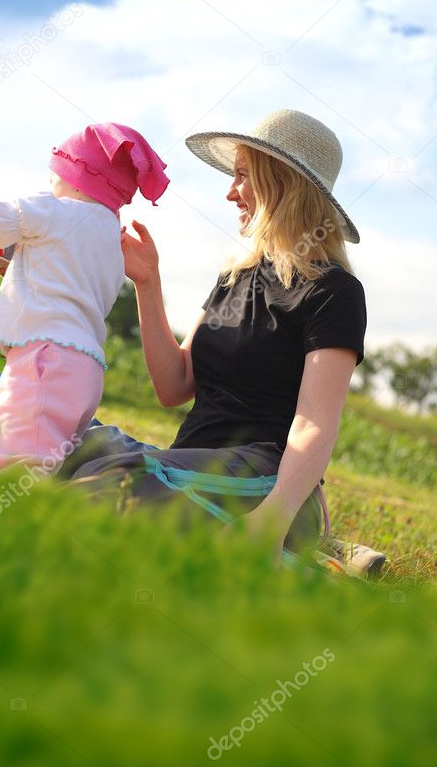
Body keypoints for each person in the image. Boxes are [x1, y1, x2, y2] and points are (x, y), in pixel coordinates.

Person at [59, 109, 366, 557]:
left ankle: (292, 544)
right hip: (191, 467)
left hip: (265, 481)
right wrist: (148, 281)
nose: (230, 192)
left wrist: (270, 521)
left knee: (114, 478)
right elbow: (174, 385)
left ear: (282, 182)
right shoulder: (237, 276)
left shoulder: (334, 291)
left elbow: (315, 423)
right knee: (69, 441)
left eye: (243, 176)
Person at [0, 123, 169, 473]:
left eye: (55, 174)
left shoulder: (55, 209)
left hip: (45, 358)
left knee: (19, 457)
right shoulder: (113, 239)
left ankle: (13, 521)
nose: (51, 182)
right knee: (48, 461)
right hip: (85, 369)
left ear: (75, 176)